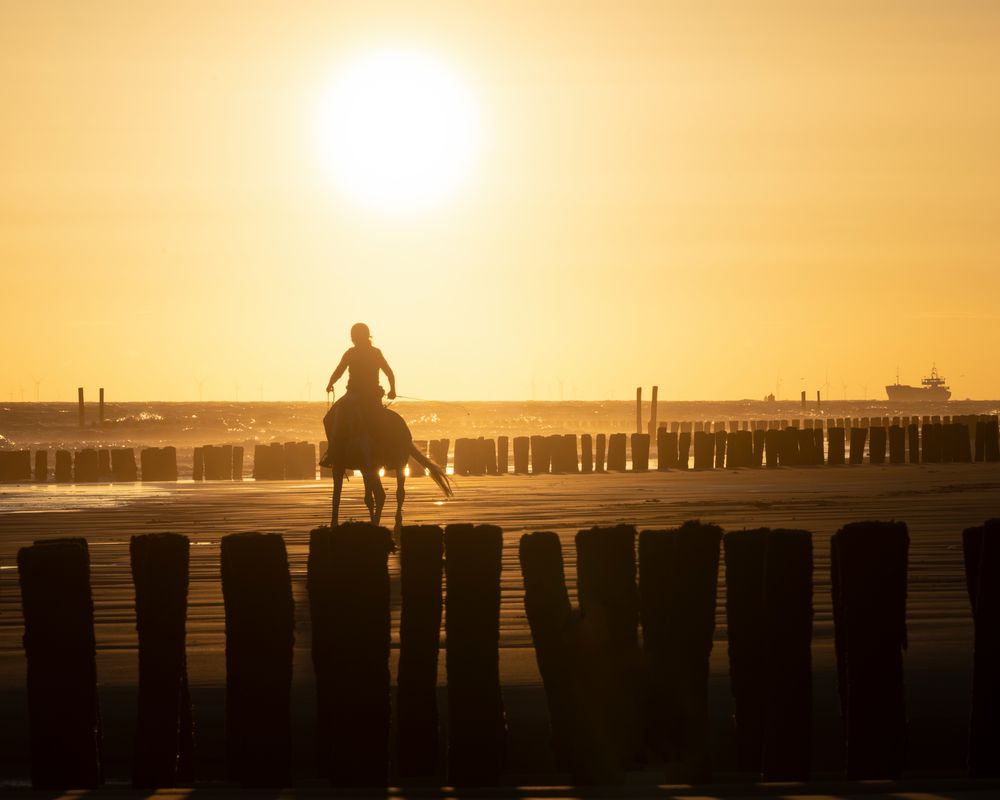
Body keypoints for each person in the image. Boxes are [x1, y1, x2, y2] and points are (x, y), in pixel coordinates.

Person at [320, 322, 396, 467]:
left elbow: (339, 371)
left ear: (353, 337)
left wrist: (330, 384)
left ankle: (332, 453)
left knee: (329, 419)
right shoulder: (376, 352)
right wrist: (393, 390)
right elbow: (389, 372)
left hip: (353, 395)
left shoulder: (351, 353)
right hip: (373, 396)